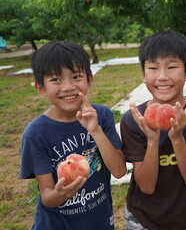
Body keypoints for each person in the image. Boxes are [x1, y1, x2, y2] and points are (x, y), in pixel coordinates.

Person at [120, 30, 186, 230]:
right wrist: (152, 140)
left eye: (171, 67)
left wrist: (177, 138)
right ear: (143, 74)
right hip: (143, 220)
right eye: (153, 68)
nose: (162, 76)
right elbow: (146, 187)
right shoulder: (134, 120)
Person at [19, 40, 127, 230]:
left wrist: (95, 130)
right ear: (40, 87)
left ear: (89, 79)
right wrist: (61, 194)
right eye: (55, 79)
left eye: (76, 76)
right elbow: (47, 197)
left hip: (98, 222)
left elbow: (119, 171)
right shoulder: (36, 134)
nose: (68, 87)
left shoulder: (102, 116)